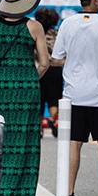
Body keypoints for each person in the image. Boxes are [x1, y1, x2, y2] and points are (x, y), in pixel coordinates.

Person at [0, 0, 49, 196]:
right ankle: (15, 194)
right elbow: (45, 63)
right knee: (25, 141)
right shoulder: (34, 26)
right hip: (28, 89)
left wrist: (5, 75)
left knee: (0, 140)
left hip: (0, 88)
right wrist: (27, 78)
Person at [52, 0, 98, 196]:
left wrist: (74, 61)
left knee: (74, 144)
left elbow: (56, 59)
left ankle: (68, 194)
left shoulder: (67, 24)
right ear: (95, 0)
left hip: (74, 95)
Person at [35, 8, 63, 136]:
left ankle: (40, 129)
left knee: (39, 99)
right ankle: (52, 119)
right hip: (54, 69)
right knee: (53, 99)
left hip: (38, 68)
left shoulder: (34, 33)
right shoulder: (56, 34)